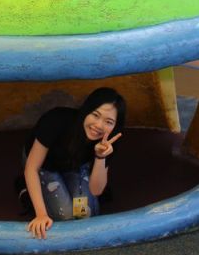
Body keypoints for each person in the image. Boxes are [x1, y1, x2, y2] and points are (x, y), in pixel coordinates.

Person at [23, 87, 125, 239]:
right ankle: (24, 190)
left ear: (115, 126)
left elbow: (97, 190)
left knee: (84, 215)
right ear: (86, 110)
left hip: (75, 167)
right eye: (95, 115)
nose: (99, 125)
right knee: (65, 217)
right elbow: (31, 168)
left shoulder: (110, 140)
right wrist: (41, 215)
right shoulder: (56, 120)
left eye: (108, 122)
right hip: (45, 166)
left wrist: (100, 157)